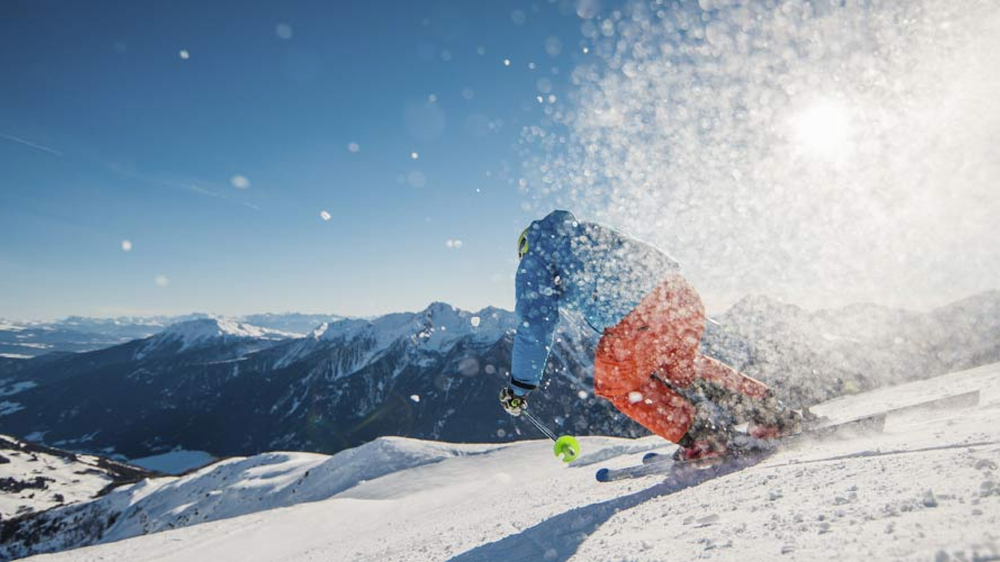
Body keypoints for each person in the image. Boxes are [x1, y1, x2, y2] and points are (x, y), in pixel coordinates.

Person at [499, 210, 802, 460]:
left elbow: (535, 324)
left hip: (637, 317)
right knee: (679, 365)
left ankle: (706, 438)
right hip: (680, 295)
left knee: (616, 384)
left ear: (523, 247)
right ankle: (769, 410)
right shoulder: (586, 231)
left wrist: (520, 387)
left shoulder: (534, 258)